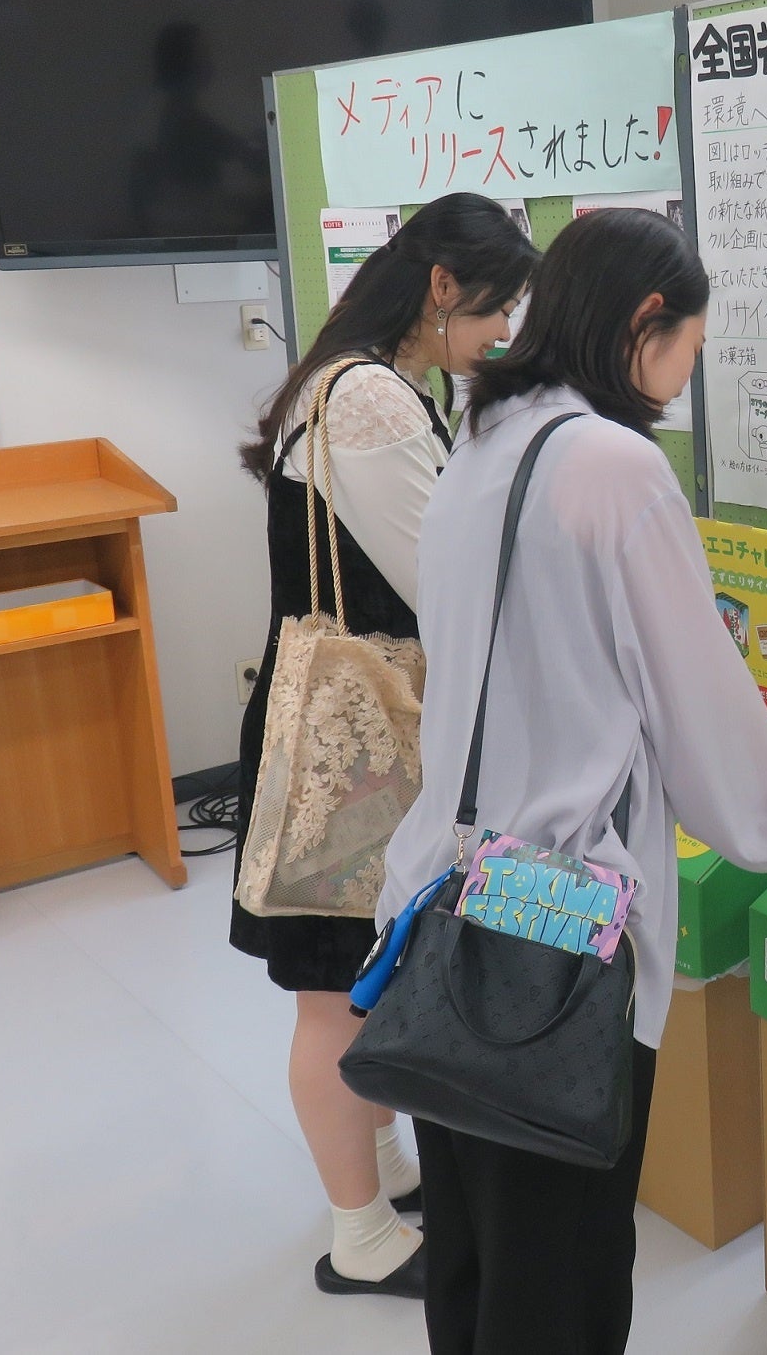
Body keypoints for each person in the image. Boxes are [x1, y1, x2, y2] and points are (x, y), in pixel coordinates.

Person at [378, 208, 767, 1355]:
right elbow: (708, 728)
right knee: (559, 1274)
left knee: (472, 1250)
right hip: (558, 932)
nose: (681, 380)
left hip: (443, 900)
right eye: (688, 351)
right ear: (643, 320)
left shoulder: (482, 442)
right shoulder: (615, 468)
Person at [233, 193, 537, 1301]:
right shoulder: (365, 396)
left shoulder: (359, 379)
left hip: (342, 726)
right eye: (493, 311)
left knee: (366, 970)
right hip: (348, 742)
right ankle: (360, 1235)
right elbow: (445, 581)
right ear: (442, 288)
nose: (500, 335)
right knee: (334, 993)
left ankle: (387, 1167)